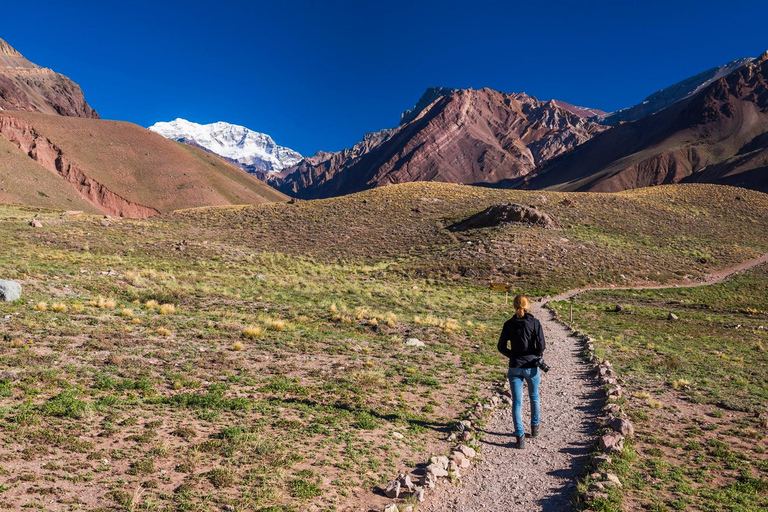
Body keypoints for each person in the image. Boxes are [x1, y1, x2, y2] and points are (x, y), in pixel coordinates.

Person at [497, 294, 545, 449]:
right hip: (531, 366)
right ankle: (535, 428)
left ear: (514, 305)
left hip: (515, 366)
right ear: (528, 305)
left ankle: (520, 437)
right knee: (534, 396)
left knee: (517, 403)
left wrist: (513, 355)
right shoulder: (535, 323)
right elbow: (542, 346)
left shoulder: (508, 324)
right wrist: (536, 355)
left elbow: (501, 346)